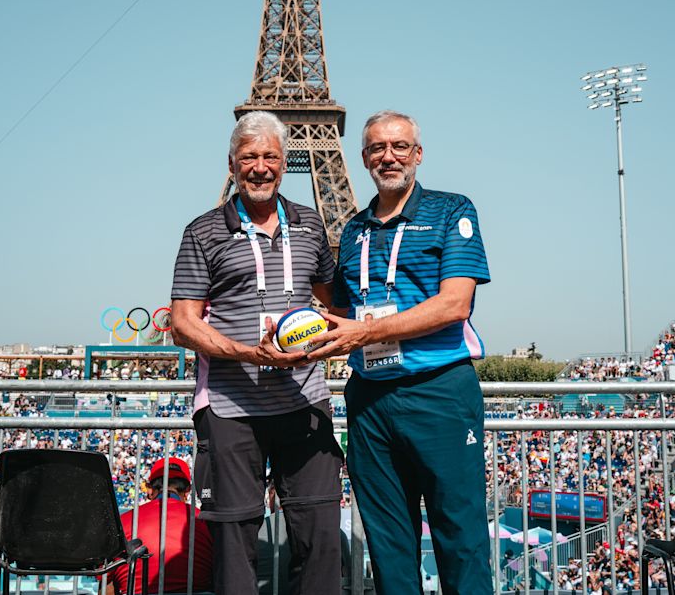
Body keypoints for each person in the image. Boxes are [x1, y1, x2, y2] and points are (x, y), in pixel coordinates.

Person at [306, 110, 493, 595]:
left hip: (439, 392)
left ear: (418, 154)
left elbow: (455, 304)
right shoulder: (352, 230)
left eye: (400, 146)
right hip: (370, 397)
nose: (389, 156)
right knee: (388, 544)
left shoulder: (453, 210)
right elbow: (341, 308)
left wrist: (364, 334)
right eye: (377, 148)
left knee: (461, 538)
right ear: (364, 157)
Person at [169, 111, 344, 595]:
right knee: (233, 541)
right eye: (249, 157)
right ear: (232, 163)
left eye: (270, 156)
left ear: (285, 162)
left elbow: (340, 306)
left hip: (305, 401)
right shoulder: (202, 231)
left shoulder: (310, 225)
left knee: (322, 539)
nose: (260, 166)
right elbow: (182, 322)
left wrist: (333, 337)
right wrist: (250, 353)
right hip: (231, 408)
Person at [105, 457, 213, 594]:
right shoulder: (204, 520)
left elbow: (106, 583)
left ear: (149, 490)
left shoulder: (123, 521)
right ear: (187, 491)